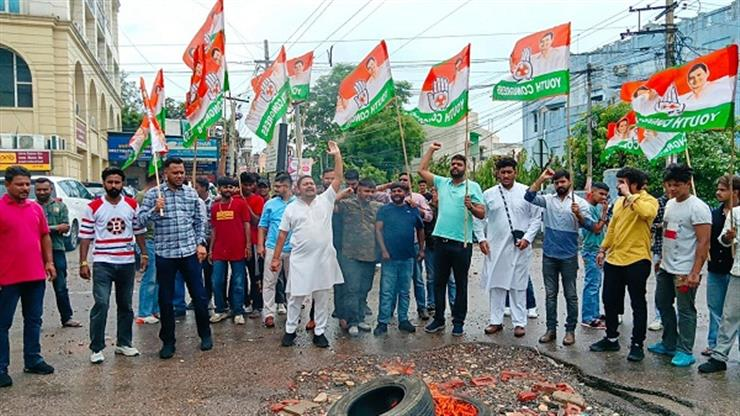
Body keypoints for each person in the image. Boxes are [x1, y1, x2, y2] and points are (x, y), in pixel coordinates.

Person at [271, 141, 344, 348]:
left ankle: (320, 332)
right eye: (305, 184)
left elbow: (338, 177)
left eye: (312, 183)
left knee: (321, 297)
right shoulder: (291, 209)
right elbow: (282, 236)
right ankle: (290, 330)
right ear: (298, 189)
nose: (310, 185)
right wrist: (276, 258)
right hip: (300, 260)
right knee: (295, 297)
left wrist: (337, 155)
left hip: (324, 259)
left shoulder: (326, 199)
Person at [138, 157, 212, 359]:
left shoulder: (191, 193)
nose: (179, 176)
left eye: (181, 172)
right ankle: (168, 342)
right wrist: (154, 208)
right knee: (165, 299)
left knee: (199, 296)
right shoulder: (154, 194)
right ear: (165, 174)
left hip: (189, 252)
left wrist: (200, 243)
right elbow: (139, 221)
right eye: (175, 173)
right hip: (165, 254)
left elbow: (200, 222)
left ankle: (205, 335)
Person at [79, 167, 147, 364]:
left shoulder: (133, 205)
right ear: (104, 183)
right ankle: (96, 347)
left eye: (117, 182)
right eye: (110, 182)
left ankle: (124, 343)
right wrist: (83, 262)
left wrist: (144, 253)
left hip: (126, 262)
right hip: (103, 263)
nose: (114, 186)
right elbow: (85, 237)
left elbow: (139, 231)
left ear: (123, 184)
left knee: (125, 305)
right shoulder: (93, 207)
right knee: (101, 303)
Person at [590, 168, 658, 362]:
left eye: (623, 182)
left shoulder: (648, 201)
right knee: (609, 300)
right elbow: (612, 229)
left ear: (634, 184)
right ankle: (611, 338)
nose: (618, 186)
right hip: (615, 259)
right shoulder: (619, 202)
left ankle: (637, 344)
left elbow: (647, 214)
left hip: (637, 259)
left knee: (637, 303)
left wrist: (630, 196)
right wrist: (603, 249)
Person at [418, 142, 485, 337]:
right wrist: (431, 150)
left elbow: (482, 213)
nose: (455, 167)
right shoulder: (442, 182)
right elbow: (422, 170)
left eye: (459, 164)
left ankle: (458, 322)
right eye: (453, 164)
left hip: (462, 243)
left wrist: (471, 207)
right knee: (438, 282)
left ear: (465, 168)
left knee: (461, 284)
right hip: (441, 242)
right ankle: (439, 319)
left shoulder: (472, 187)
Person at [649, 164, 711, 367]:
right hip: (666, 266)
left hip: (685, 270)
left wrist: (695, 271)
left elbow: (703, 242)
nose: (672, 189)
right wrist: (661, 260)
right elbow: (669, 233)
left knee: (685, 310)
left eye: (676, 185)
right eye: (668, 185)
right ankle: (668, 342)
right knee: (662, 303)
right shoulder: (669, 204)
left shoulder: (698, 208)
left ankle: (685, 350)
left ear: (687, 184)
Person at [0, 166, 56, 388]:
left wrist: (49, 262)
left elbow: (44, 236)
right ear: (7, 185)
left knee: (34, 320)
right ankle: (1, 367)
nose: (25, 188)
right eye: (19, 184)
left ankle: (33, 359)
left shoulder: (35, 208)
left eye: (27, 184)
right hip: (6, 278)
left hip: (34, 275)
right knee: (3, 324)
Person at [474, 157, 542, 337]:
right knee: (496, 285)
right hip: (495, 247)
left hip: (520, 248)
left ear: (515, 172)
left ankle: (519, 323)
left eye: (509, 172)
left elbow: (536, 218)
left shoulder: (527, 192)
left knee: (518, 286)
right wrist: (481, 239)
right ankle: (495, 321)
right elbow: (479, 217)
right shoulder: (488, 194)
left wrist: (528, 238)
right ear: (497, 173)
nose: (505, 175)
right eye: (502, 172)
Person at [525, 169, 592, 346]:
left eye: (562, 182)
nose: (559, 185)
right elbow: (529, 197)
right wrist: (540, 178)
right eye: (556, 183)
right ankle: (550, 329)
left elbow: (591, 226)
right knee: (550, 295)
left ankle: (570, 331)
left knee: (570, 295)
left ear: (570, 182)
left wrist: (578, 214)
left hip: (569, 256)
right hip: (549, 255)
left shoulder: (580, 203)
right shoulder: (548, 200)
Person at [377, 173, 433, 320]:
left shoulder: (417, 199)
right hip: (391, 250)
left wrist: (417, 209)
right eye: (399, 182)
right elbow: (372, 193)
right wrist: (389, 185)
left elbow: (428, 218)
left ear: (409, 185)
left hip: (412, 247)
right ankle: (388, 315)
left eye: (404, 182)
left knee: (416, 280)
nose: (400, 186)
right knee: (391, 285)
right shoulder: (387, 203)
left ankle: (420, 309)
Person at [374, 183, 425, 336]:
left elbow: (420, 228)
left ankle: (403, 319)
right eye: (394, 191)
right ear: (390, 193)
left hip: (408, 256)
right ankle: (382, 322)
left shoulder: (413, 209)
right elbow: (378, 229)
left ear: (405, 193)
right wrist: (383, 250)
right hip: (389, 257)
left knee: (405, 291)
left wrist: (422, 249)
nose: (396, 193)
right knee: (387, 291)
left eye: (399, 191)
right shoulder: (384, 210)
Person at [335, 178, 383, 335]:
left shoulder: (378, 207)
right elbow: (327, 205)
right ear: (358, 190)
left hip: (370, 254)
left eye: (371, 191)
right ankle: (352, 321)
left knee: (364, 288)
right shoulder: (346, 204)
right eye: (365, 191)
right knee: (352, 288)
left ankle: (361, 318)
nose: (368, 194)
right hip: (349, 253)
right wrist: (342, 194)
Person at [35, 178, 81, 328]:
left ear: (51, 190)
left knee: (61, 286)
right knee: (35, 288)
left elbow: (66, 227)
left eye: (45, 189)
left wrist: (46, 229)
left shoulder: (60, 206)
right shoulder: (32, 207)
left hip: (57, 249)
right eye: (39, 190)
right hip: (35, 251)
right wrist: (55, 228)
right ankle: (35, 321)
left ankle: (66, 318)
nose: (42, 192)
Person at [700, 198, 740, 373]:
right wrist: (727, 237)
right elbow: (723, 240)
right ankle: (719, 356)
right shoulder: (736, 213)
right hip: (738, 272)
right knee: (729, 315)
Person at [209, 176, 251, 325]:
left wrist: (248, 246)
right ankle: (220, 310)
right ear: (219, 189)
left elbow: (246, 225)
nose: (228, 189)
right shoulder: (214, 207)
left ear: (234, 189)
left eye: (230, 187)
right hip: (219, 250)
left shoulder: (240, 204)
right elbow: (213, 229)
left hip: (238, 248)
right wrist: (210, 249)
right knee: (217, 281)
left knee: (238, 282)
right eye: (224, 187)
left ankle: (238, 311)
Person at [258, 173, 295, 328]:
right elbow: (262, 226)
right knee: (269, 281)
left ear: (287, 186)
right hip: (273, 247)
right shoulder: (270, 204)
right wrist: (260, 245)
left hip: (294, 248)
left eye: (279, 186)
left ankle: (293, 314)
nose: (276, 189)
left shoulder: (299, 203)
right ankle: (268, 314)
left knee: (293, 283)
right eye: (276, 186)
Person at [579, 182, 610, 329]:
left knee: (596, 283)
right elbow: (596, 229)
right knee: (592, 284)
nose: (604, 197)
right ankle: (588, 317)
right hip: (590, 249)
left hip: (597, 250)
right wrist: (604, 213)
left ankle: (595, 313)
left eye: (605, 195)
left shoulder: (596, 208)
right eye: (601, 194)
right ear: (592, 193)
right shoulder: (587, 208)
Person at [239, 172, 265, 318]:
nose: (249, 187)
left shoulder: (258, 200)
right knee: (239, 276)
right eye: (246, 184)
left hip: (254, 242)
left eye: (251, 185)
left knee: (255, 275)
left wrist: (245, 205)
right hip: (238, 243)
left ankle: (257, 305)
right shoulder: (234, 199)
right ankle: (244, 303)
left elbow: (256, 221)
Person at [135, 175, 160, 324]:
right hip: (147, 239)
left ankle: (153, 309)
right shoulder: (142, 196)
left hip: (157, 240)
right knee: (150, 276)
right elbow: (139, 220)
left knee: (157, 277)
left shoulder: (156, 195)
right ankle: (144, 312)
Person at [649, 186, 670, 331]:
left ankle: (676, 319)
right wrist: (662, 225)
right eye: (669, 185)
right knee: (661, 287)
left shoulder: (691, 205)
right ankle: (659, 316)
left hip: (682, 253)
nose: (672, 188)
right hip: (659, 249)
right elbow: (650, 224)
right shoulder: (658, 203)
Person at [194, 176, 214, 309]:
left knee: (209, 272)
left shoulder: (213, 203)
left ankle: (208, 298)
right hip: (197, 241)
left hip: (210, 241)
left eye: (197, 187)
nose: (195, 190)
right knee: (195, 272)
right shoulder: (193, 201)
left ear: (204, 188)